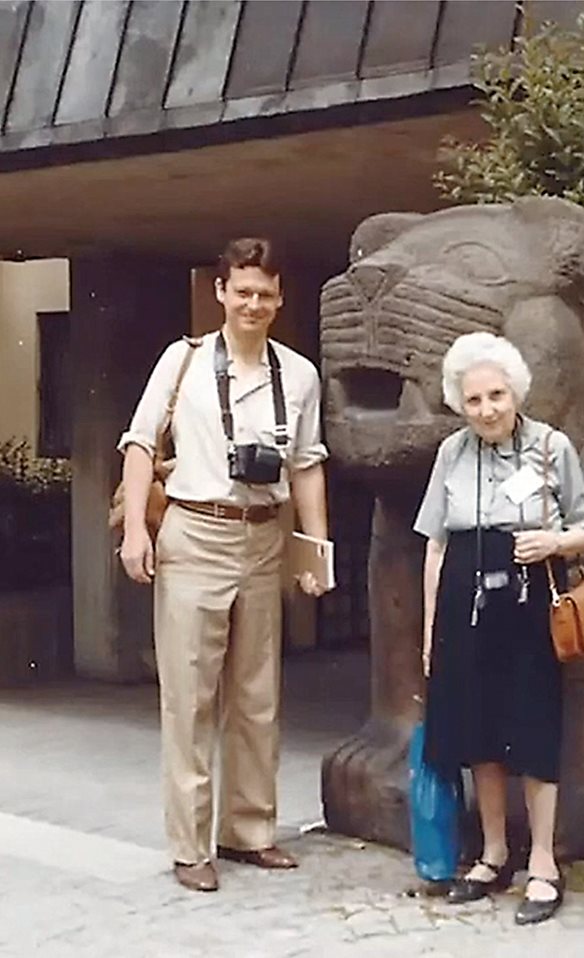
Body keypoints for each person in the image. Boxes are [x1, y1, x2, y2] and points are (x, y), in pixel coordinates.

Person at [118, 237, 330, 892]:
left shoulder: (297, 374)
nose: (254, 304)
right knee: (190, 696)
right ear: (220, 293)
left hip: (264, 539)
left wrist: (315, 550)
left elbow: (307, 465)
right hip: (194, 534)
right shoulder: (182, 363)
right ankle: (189, 846)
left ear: (280, 296)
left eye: (265, 293)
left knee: (258, 695)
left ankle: (249, 831)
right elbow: (138, 443)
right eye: (242, 291)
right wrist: (134, 532)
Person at [413, 331, 584, 925]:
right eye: (474, 400)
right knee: (478, 728)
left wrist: (556, 541)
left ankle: (542, 861)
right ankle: (492, 854)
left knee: (533, 723)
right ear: (459, 404)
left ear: (515, 392)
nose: (488, 409)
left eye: (497, 395)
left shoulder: (550, 447)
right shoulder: (451, 453)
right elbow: (436, 546)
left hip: (528, 598)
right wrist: (427, 630)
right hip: (465, 599)